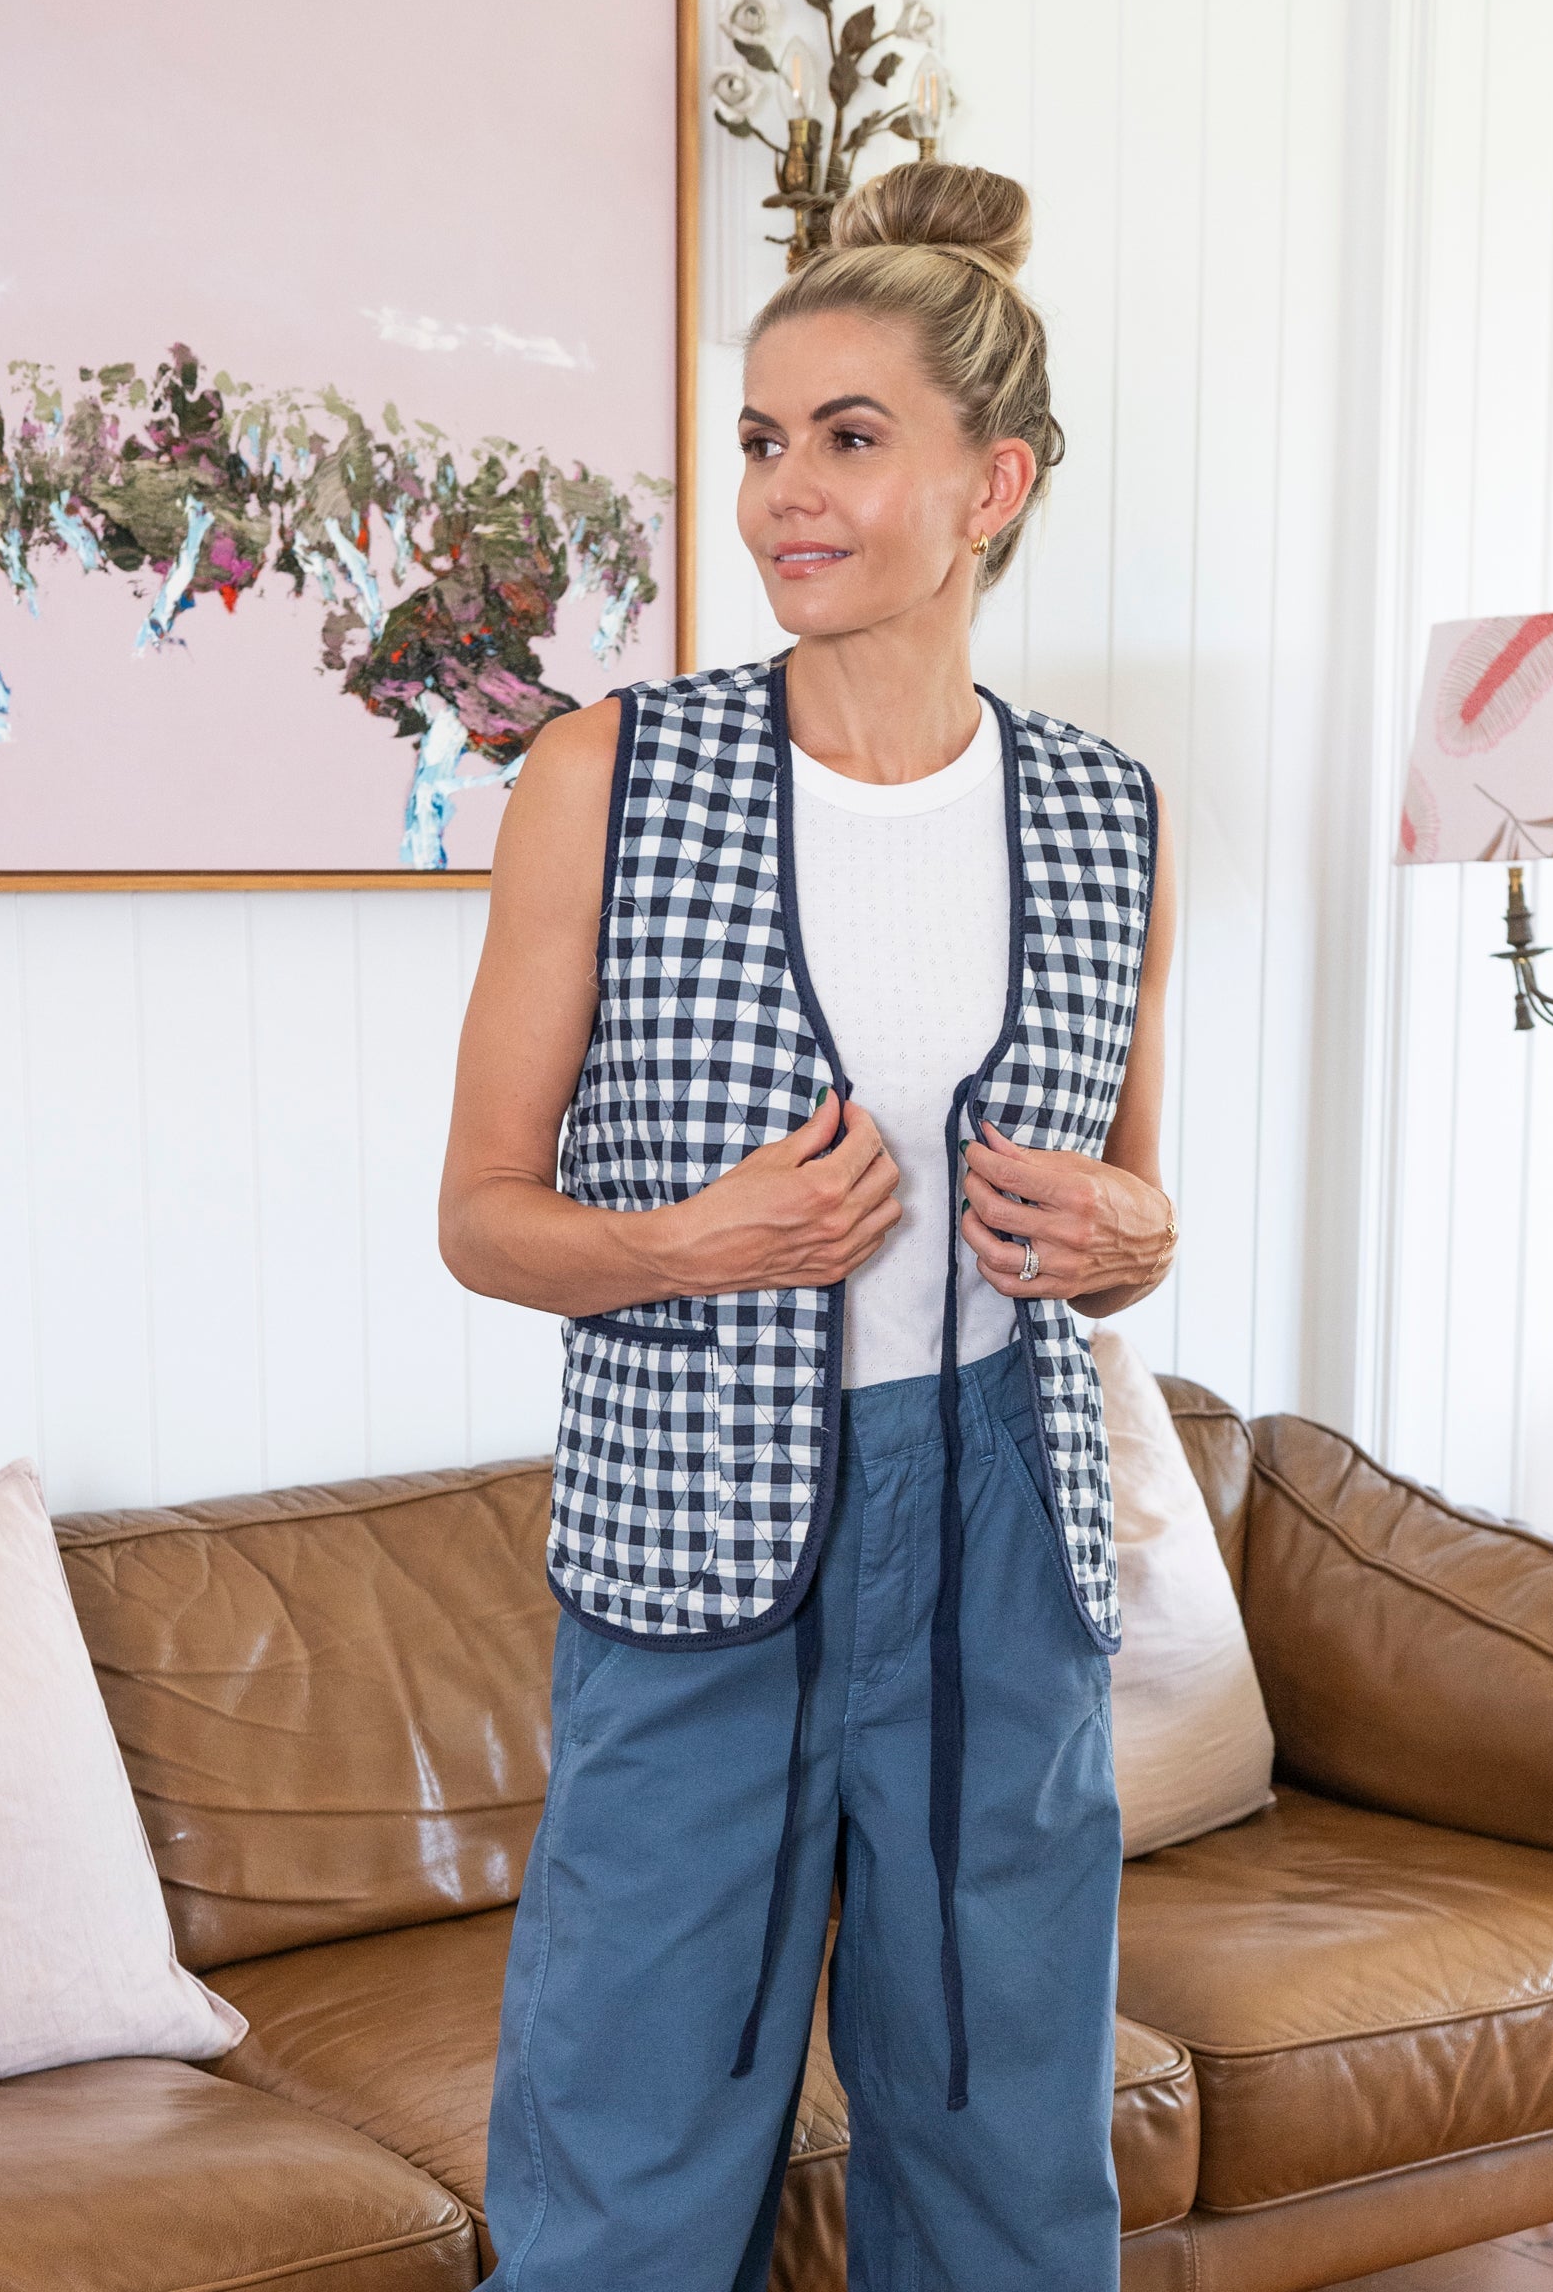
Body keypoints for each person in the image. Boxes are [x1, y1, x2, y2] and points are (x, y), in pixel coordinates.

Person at [438, 160, 1177, 2292]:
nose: (783, 494)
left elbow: (1134, 1213)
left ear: (991, 485)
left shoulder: (1105, 811)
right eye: (763, 441)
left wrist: (1130, 1232)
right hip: (693, 1543)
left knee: (1006, 2150)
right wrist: (693, 1246)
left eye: (850, 440)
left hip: (1001, 1536)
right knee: (628, 2151)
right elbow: (483, 1220)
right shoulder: (609, 773)